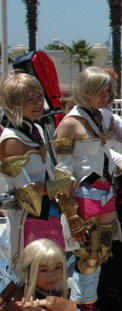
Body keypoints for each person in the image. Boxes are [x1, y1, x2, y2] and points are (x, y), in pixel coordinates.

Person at [53, 67, 122, 311]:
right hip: (84, 197)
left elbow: (108, 155)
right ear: (85, 90)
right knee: (87, 260)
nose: (104, 95)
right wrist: (71, 215)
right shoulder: (70, 123)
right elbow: (61, 173)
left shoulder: (100, 117)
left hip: (104, 194)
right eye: (98, 90)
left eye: (107, 90)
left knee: (98, 259)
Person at [3, 239, 119, 311]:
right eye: (44, 270)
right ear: (29, 271)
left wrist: (53, 305)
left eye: (57, 267)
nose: (53, 276)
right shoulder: (16, 305)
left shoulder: (54, 291)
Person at [0, 74, 68, 270]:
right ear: (14, 103)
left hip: (48, 214)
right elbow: (25, 193)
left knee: (55, 274)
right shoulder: (12, 140)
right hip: (28, 220)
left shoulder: (35, 129)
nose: (39, 103)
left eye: (40, 96)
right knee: (35, 277)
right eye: (30, 99)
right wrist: (58, 186)